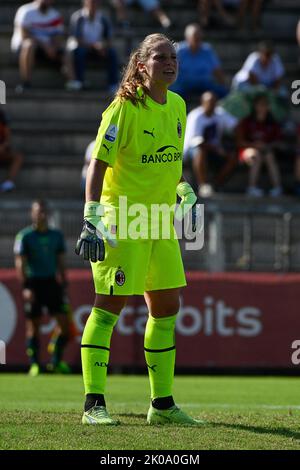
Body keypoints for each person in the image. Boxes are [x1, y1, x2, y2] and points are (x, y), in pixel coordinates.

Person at [75, 33, 203, 426]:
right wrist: (91, 216)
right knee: (110, 306)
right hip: (122, 219)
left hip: (160, 223)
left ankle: (161, 406)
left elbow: (168, 163)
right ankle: (93, 405)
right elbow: (98, 164)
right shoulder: (123, 108)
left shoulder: (179, 106)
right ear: (142, 64)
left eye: (173, 57)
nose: (170, 63)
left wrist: (183, 189)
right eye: (160, 57)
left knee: (167, 307)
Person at [14, 200, 72, 376]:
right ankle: (35, 365)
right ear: (32, 214)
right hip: (34, 284)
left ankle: (56, 361)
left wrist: (64, 282)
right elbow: (20, 263)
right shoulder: (24, 236)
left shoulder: (57, 235)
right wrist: (25, 286)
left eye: (44, 211)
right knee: (34, 326)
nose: (42, 215)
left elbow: (61, 261)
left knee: (65, 326)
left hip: (52, 283)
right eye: (38, 212)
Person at [184, 92, 238, 197]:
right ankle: (203, 185)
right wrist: (218, 150)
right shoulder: (195, 116)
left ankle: (215, 184)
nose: (212, 105)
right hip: (191, 152)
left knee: (233, 157)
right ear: (203, 103)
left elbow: (236, 125)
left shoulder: (219, 113)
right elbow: (197, 142)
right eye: (209, 102)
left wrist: (239, 141)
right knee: (200, 151)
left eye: (214, 103)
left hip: (213, 150)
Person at [11, 0, 65, 93]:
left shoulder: (55, 14)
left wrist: (54, 47)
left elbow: (58, 36)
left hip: (47, 50)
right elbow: (25, 36)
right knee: (29, 45)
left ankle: (74, 82)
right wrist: (45, 46)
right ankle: (26, 82)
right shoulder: (25, 11)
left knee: (68, 51)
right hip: (24, 49)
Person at [65, 0, 119, 92]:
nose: (93, 4)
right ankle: (79, 81)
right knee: (79, 52)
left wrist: (103, 46)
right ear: (85, 3)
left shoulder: (103, 19)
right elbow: (77, 39)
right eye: (91, 2)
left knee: (112, 53)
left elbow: (109, 40)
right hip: (82, 47)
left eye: (96, 2)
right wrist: (94, 46)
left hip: (97, 49)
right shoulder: (78, 17)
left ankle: (113, 84)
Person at [237, 94, 282, 197]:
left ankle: (277, 188)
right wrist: (254, 145)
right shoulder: (246, 121)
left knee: (269, 155)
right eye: (260, 105)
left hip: (267, 151)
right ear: (255, 106)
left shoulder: (272, 122)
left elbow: (278, 141)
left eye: (265, 105)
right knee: (256, 154)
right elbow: (240, 142)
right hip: (247, 151)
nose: (263, 107)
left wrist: (267, 145)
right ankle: (251, 187)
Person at [171, 23, 228, 99]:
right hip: (184, 85)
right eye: (195, 37)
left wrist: (223, 85)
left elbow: (217, 70)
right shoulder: (179, 50)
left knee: (223, 92)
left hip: (204, 84)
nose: (197, 40)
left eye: (199, 37)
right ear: (187, 38)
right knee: (172, 94)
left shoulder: (207, 50)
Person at [0, 106, 23, 192]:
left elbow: (7, 137)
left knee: (18, 157)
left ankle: (8, 183)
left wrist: (4, 146)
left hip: (1, 151)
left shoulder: (2, 117)